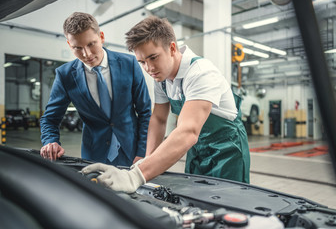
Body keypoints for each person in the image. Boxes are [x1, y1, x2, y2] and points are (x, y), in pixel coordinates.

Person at [82, 16, 250, 193]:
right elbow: (159, 118)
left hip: (227, 149)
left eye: (153, 57)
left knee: (227, 201)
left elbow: (188, 131)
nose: (149, 68)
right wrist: (147, 161)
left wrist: (136, 176)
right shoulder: (162, 78)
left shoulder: (201, 73)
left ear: (171, 48)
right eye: (142, 62)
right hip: (198, 148)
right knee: (198, 198)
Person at [40, 12, 151, 167]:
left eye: (91, 44)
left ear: (102, 37)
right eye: (77, 48)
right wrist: (51, 141)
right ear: (69, 45)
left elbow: (145, 112)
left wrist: (143, 151)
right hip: (94, 156)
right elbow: (50, 119)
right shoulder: (65, 75)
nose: (87, 54)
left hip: (132, 153)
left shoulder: (129, 64)